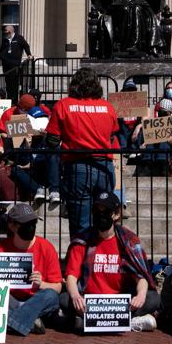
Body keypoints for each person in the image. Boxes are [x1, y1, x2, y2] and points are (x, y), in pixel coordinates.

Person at [61, 192, 158, 332]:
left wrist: (140, 295)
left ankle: (90, 323)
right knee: (65, 299)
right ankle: (128, 322)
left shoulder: (128, 241)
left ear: (116, 214)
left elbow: (140, 277)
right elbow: (71, 276)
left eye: (106, 211)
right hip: (90, 302)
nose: (101, 215)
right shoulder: (82, 241)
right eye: (96, 211)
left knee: (153, 298)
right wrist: (76, 296)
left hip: (119, 302)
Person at [45, 68, 118, 237]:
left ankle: (80, 260)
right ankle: (98, 258)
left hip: (78, 167)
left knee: (80, 223)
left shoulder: (63, 105)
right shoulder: (107, 107)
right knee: (104, 220)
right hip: (105, 167)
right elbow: (112, 135)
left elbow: (52, 141)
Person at [0, 204, 62, 336]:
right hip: (11, 300)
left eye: (33, 222)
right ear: (12, 226)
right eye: (26, 223)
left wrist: (41, 284)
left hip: (36, 299)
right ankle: (28, 321)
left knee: (50, 296)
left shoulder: (46, 247)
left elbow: (58, 287)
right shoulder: (0, 248)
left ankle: (12, 322)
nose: (31, 227)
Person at [0, 25, 33, 101]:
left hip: (15, 66)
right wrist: (3, 58)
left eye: (6, 30)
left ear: (10, 30)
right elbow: (0, 52)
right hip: (6, 66)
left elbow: (26, 46)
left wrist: (29, 54)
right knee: (8, 83)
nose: (4, 32)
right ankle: (10, 99)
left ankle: (14, 100)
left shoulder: (19, 38)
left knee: (14, 83)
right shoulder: (5, 40)